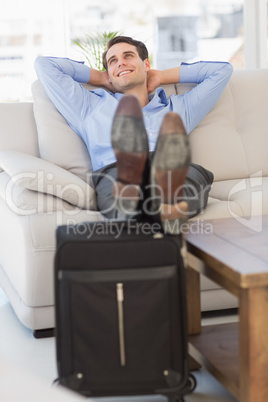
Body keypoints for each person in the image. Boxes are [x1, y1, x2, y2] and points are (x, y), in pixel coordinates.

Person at [34, 35, 233, 234]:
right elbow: (45, 65)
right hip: (118, 172)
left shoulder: (179, 109)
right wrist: (100, 77)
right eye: (113, 61)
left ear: (146, 63)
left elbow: (222, 71)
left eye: (128, 56)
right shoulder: (88, 107)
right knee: (129, 212)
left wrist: (162, 76)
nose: (121, 62)